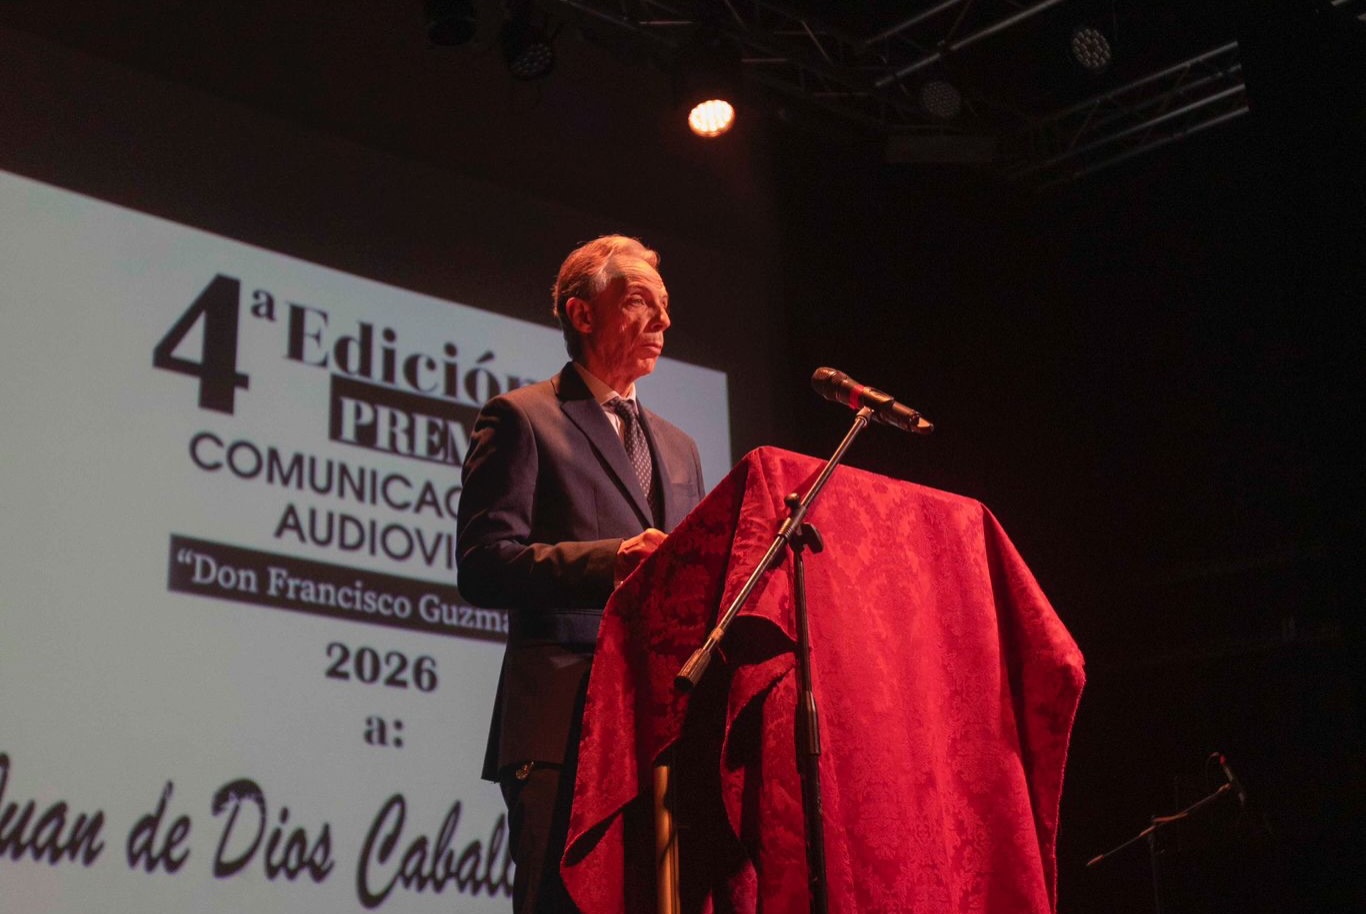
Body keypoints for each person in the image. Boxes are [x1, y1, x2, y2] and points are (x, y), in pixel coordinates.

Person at [457, 235, 706, 913]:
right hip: (562, 724)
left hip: (660, 728)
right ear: (583, 313)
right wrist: (611, 560)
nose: (663, 320)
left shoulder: (680, 449)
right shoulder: (522, 418)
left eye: (664, 304)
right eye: (640, 302)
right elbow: (483, 565)